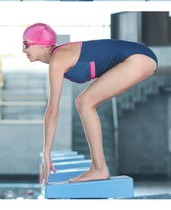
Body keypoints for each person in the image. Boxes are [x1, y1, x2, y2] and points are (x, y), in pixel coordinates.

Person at [22, 23, 158, 184]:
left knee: (84, 102)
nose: (24, 50)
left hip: (138, 58)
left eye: (26, 45)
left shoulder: (58, 60)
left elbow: (53, 110)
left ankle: (99, 169)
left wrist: (47, 152)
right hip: (140, 58)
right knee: (84, 102)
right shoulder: (60, 56)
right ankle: (98, 168)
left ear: (42, 45)